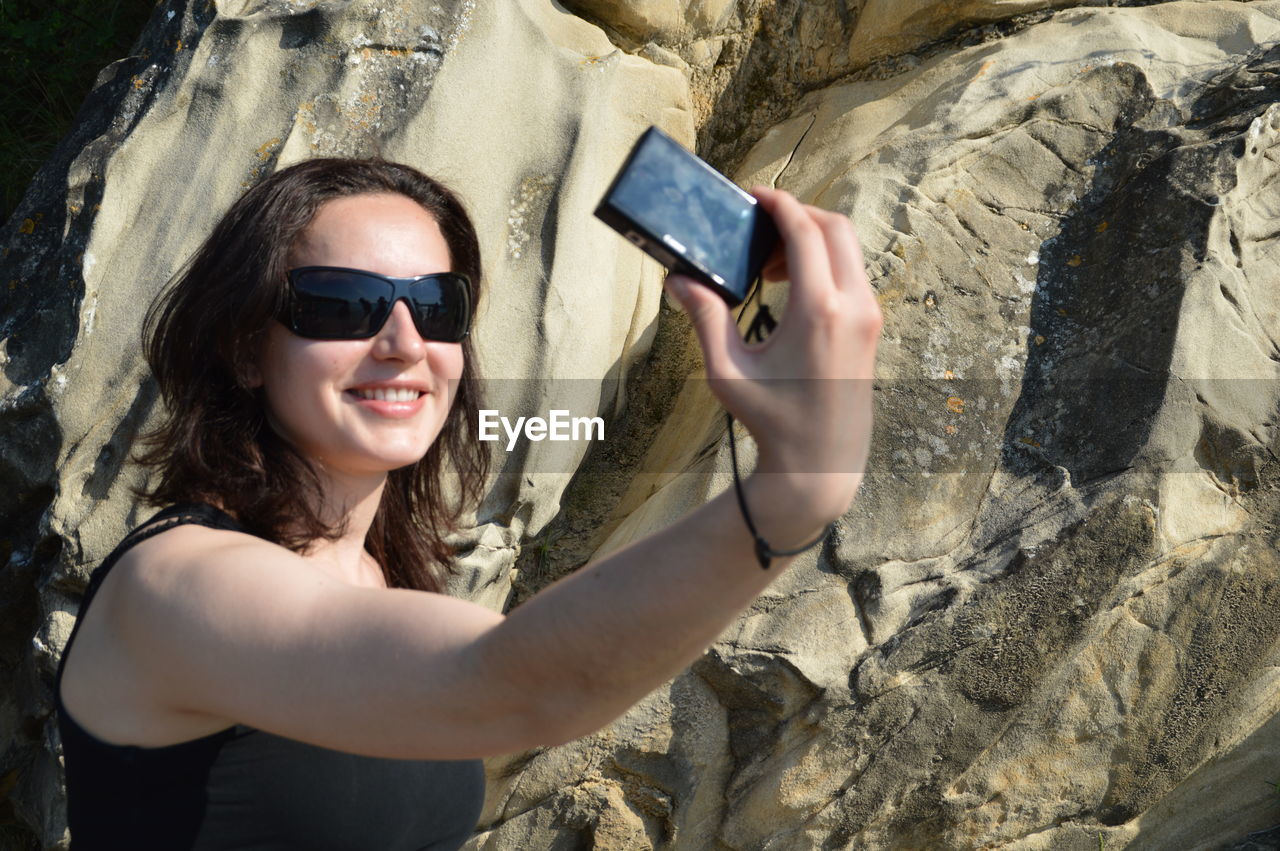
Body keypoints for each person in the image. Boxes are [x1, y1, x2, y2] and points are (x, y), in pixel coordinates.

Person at [54, 157, 881, 849]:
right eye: (345, 303)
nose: (405, 342)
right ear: (244, 348)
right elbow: (521, 683)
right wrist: (791, 491)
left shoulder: (386, 582)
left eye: (437, 305)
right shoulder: (177, 585)